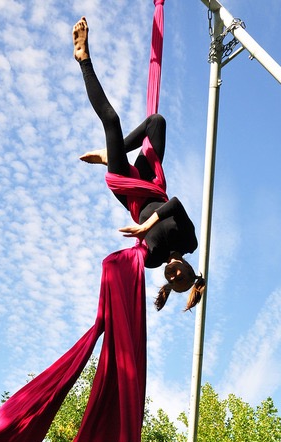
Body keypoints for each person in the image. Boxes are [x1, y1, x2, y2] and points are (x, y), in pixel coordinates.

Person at [73, 16, 205, 311]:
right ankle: (113, 152)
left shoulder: (152, 259)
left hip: (129, 192)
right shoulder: (189, 241)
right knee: (156, 122)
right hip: (153, 184)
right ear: (189, 269)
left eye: (172, 282)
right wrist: (147, 225)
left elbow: (126, 265)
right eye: (181, 277)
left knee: (112, 121)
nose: (174, 275)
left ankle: (83, 58)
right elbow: (176, 205)